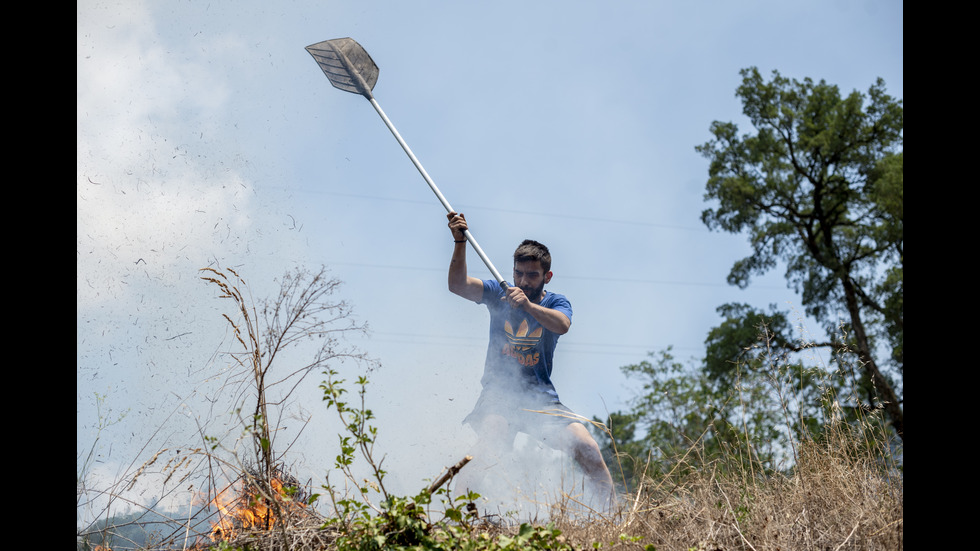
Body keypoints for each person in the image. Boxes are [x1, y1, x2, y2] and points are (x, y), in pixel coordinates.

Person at [446, 211, 615, 510]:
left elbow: (562, 324)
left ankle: (615, 519)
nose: (523, 281)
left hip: (542, 400)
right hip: (499, 396)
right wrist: (460, 241)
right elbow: (457, 285)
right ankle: (459, 519)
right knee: (490, 444)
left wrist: (528, 306)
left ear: (547, 276)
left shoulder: (555, 302)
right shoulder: (498, 291)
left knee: (588, 448)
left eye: (532, 275)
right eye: (518, 274)